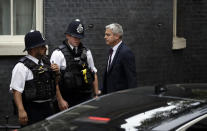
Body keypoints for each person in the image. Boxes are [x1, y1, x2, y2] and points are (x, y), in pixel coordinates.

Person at [10, 30, 60, 126]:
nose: (45, 48)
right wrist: (21, 111)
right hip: (32, 110)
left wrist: (57, 73)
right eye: (42, 46)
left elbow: (55, 83)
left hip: (48, 107)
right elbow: (16, 91)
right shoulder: (21, 67)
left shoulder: (46, 62)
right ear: (33, 48)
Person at [50, 19, 99, 110]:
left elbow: (93, 72)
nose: (77, 40)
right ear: (68, 35)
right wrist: (60, 100)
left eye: (79, 38)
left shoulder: (87, 52)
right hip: (67, 99)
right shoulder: (58, 53)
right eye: (75, 37)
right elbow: (53, 80)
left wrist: (96, 94)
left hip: (85, 97)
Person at [102, 23, 137, 94]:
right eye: (105, 34)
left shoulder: (126, 52)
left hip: (120, 98)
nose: (105, 37)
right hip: (110, 96)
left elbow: (131, 79)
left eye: (108, 35)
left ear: (117, 36)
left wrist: (132, 98)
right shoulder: (111, 51)